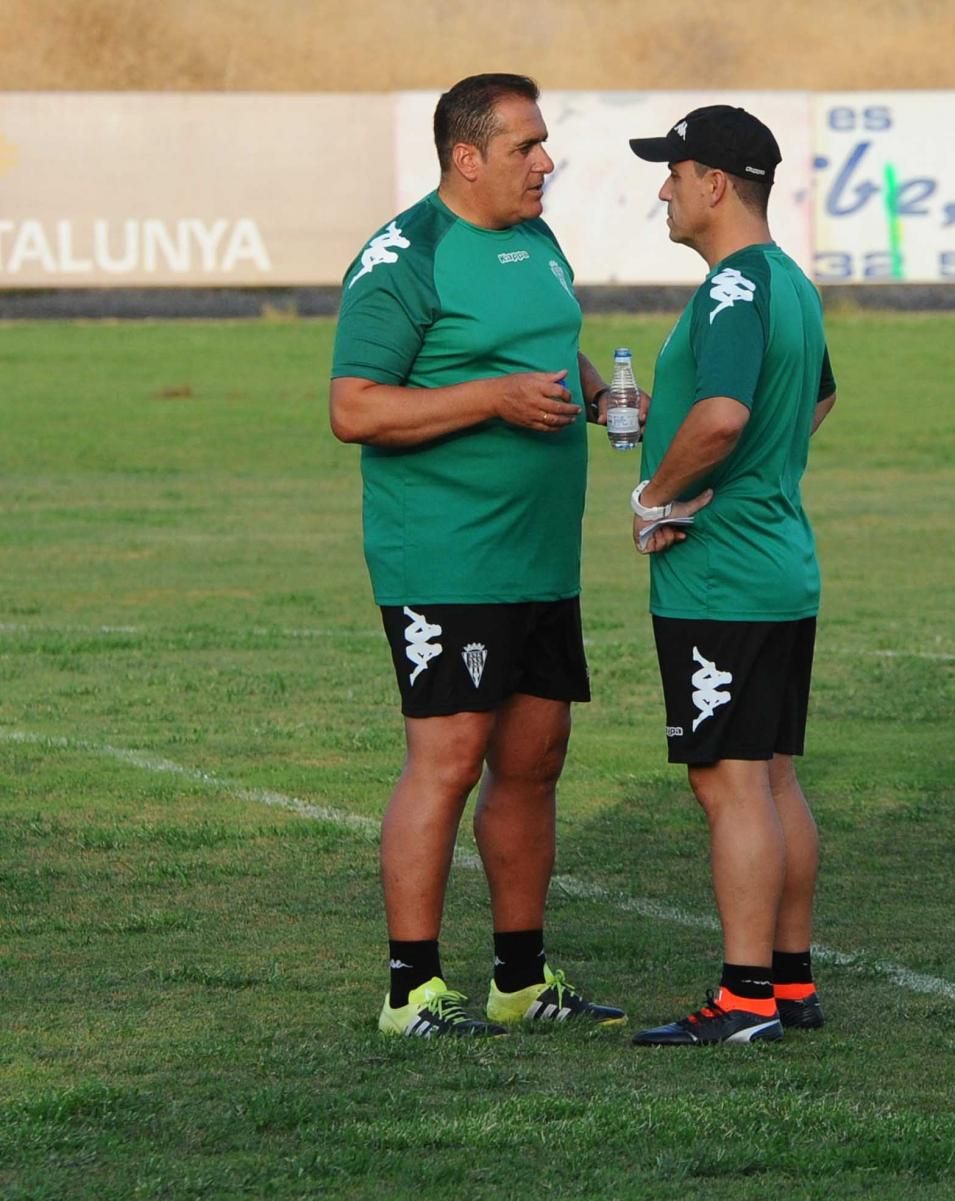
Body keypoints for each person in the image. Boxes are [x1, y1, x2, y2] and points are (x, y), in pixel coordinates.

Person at [329, 73, 625, 1038]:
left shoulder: (536, 237)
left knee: (535, 760)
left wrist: (592, 392)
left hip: (542, 557)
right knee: (448, 760)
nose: (546, 164)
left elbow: (544, 342)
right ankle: (410, 989)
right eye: (525, 148)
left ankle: (520, 980)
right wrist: (493, 399)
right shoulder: (404, 256)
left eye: (544, 145)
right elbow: (355, 407)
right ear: (466, 157)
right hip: (446, 557)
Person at [623, 105, 838, 1046]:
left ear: (716, 183)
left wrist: (660, 499)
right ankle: (790, 983)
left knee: (728, 782)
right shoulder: (787, 281)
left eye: (674, 171)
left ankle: (745, 996)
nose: (662, 189)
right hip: (781, 562)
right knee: (774, 776)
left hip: (724, 578)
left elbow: (718, 418)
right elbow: (819, 396)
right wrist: (749, 480)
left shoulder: (730, 292)